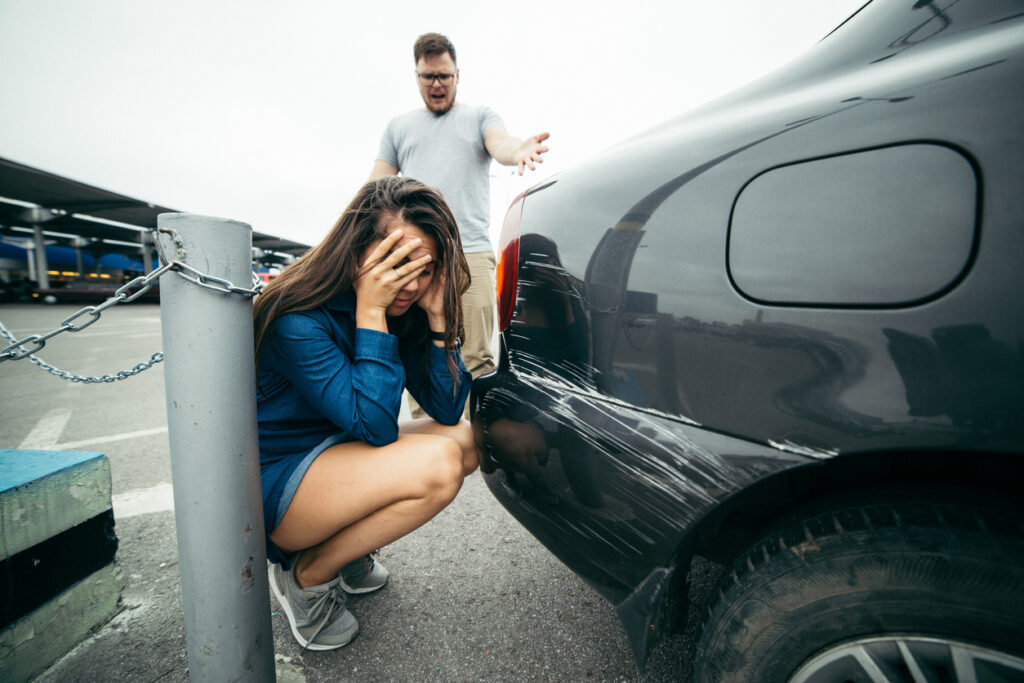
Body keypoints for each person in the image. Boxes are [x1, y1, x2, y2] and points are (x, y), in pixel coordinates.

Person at [253, 176, 480, 650]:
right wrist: (371, 313)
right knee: (438, 467)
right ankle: (308, 575)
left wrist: (438, 319)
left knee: (467, 440)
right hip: (280, 484)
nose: (413, 284)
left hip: (337, 451)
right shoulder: (297, 315)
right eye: (398, 264)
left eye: (426, 268)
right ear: (356, 249)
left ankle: (341, 548)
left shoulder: (410, 305)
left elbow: (446, 407)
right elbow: (376, 427)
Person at [370, 31, 550, 414]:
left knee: (478, 357)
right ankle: (428, 447)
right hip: (417, 259)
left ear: (457, 75)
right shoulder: (398, 128)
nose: (437, 84)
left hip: (471, 253)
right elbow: (376, 184)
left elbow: (500, 143)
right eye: (428, 76)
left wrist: (517, 149)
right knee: (421, 352)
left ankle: (476, 446)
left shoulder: (478, 116)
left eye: (444, 76)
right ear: (417, 76)